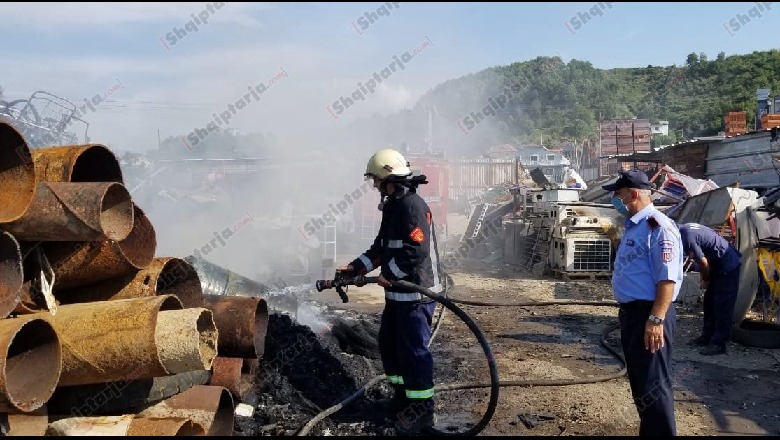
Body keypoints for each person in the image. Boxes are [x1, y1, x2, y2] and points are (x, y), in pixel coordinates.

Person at [337, 148, 443, 434]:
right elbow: (382, 247)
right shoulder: (394, 207)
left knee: (413, 352)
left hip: (416, 295)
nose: (374, 186)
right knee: (389, 346)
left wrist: (389, 274)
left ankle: (422, 411)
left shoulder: (412, 206)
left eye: (375, 180)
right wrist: (356, 268)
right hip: (398, 298)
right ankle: (401, 401)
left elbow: (416, 250)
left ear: (388, 178)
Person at [603, 169, 683, 436]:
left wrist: (656, 319)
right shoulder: (634, 226)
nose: (615, 199)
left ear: (633, 194)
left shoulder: (658, 227)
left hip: (650, 314)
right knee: (641, 384)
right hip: (633, 315)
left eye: (618, 194)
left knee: (654, 385)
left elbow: (667, 279)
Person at [678, 223, 742, 356]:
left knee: (722, 305)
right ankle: (707, 337)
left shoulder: (686, 237)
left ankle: (719, 344)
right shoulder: (684, 229)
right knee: (709, 302)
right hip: (716, 264)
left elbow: (702, 262)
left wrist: (705, 279)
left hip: (727, 265)